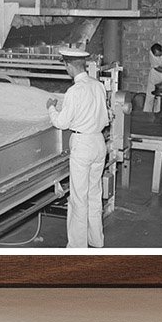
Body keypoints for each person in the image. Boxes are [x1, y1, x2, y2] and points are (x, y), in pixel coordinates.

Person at [46, 47, 110, 249]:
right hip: (99, 143)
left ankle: (76, 248)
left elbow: (62, 123)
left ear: (68, 66)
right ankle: (96, 241)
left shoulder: (74, 91)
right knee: (94, 194)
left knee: (78, 199)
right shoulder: (98, 86)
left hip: (83, 146)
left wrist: (51, 107)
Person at [144, 42, 162, 113]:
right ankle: (147, 111)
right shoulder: (152, 55)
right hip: (155, 74)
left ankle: (157, 111)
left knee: (159, 94)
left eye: (159, 54)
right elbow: (156, 68)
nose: (158, 56)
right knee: (151, 94)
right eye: (156, 55)